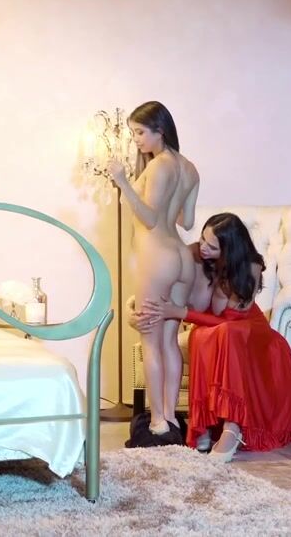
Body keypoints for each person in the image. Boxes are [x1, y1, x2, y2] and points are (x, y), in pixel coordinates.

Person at [138, 213, 291, 461]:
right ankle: (205, 424)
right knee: (200, 336)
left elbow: (231, 321)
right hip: (217, 327)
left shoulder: (251, 266)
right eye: (203, 239)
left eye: (212, 246)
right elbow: (163, 274)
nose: (203, 248)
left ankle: (233, 426)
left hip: (248, 330)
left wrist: (180, 312)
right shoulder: (197, 255)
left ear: (229, 248)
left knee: (226, 333)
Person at [107, 101, 200, 438]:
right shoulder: (189, 168)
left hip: (157, 257)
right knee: (169, 340)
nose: (135, 139)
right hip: (181, 257)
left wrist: (123, 182)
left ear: (160, 130)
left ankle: (158, 420)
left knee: (150, 339)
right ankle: (171, 417)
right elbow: (186, 221)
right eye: (133, 133)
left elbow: (148, 218)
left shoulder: (160, 166)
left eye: (140, 132)